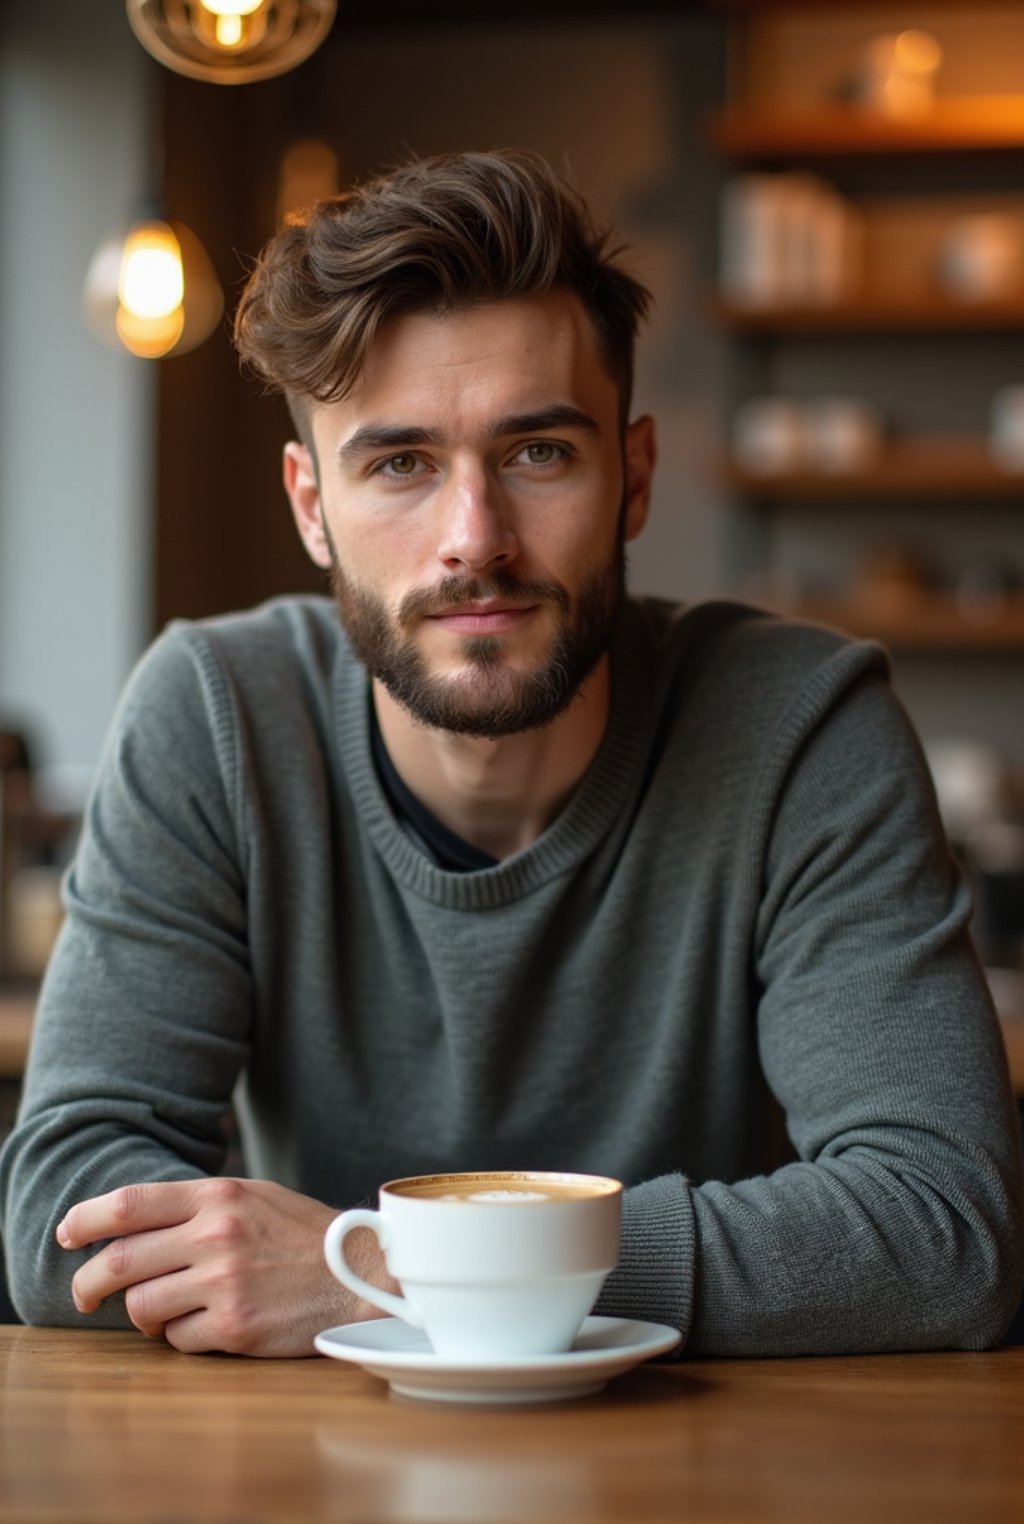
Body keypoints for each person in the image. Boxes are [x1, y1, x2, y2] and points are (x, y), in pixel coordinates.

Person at [1, 150, 1021, 1358]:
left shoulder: (800, 725)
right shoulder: (215, 713)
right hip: (310, 1468)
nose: (472, 540)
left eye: (538, 452)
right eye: (399, 464)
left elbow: (947, 1235)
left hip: (703, 1465)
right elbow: (58, 1213)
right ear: (309, 504)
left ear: (631, 477)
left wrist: (385, 1274)